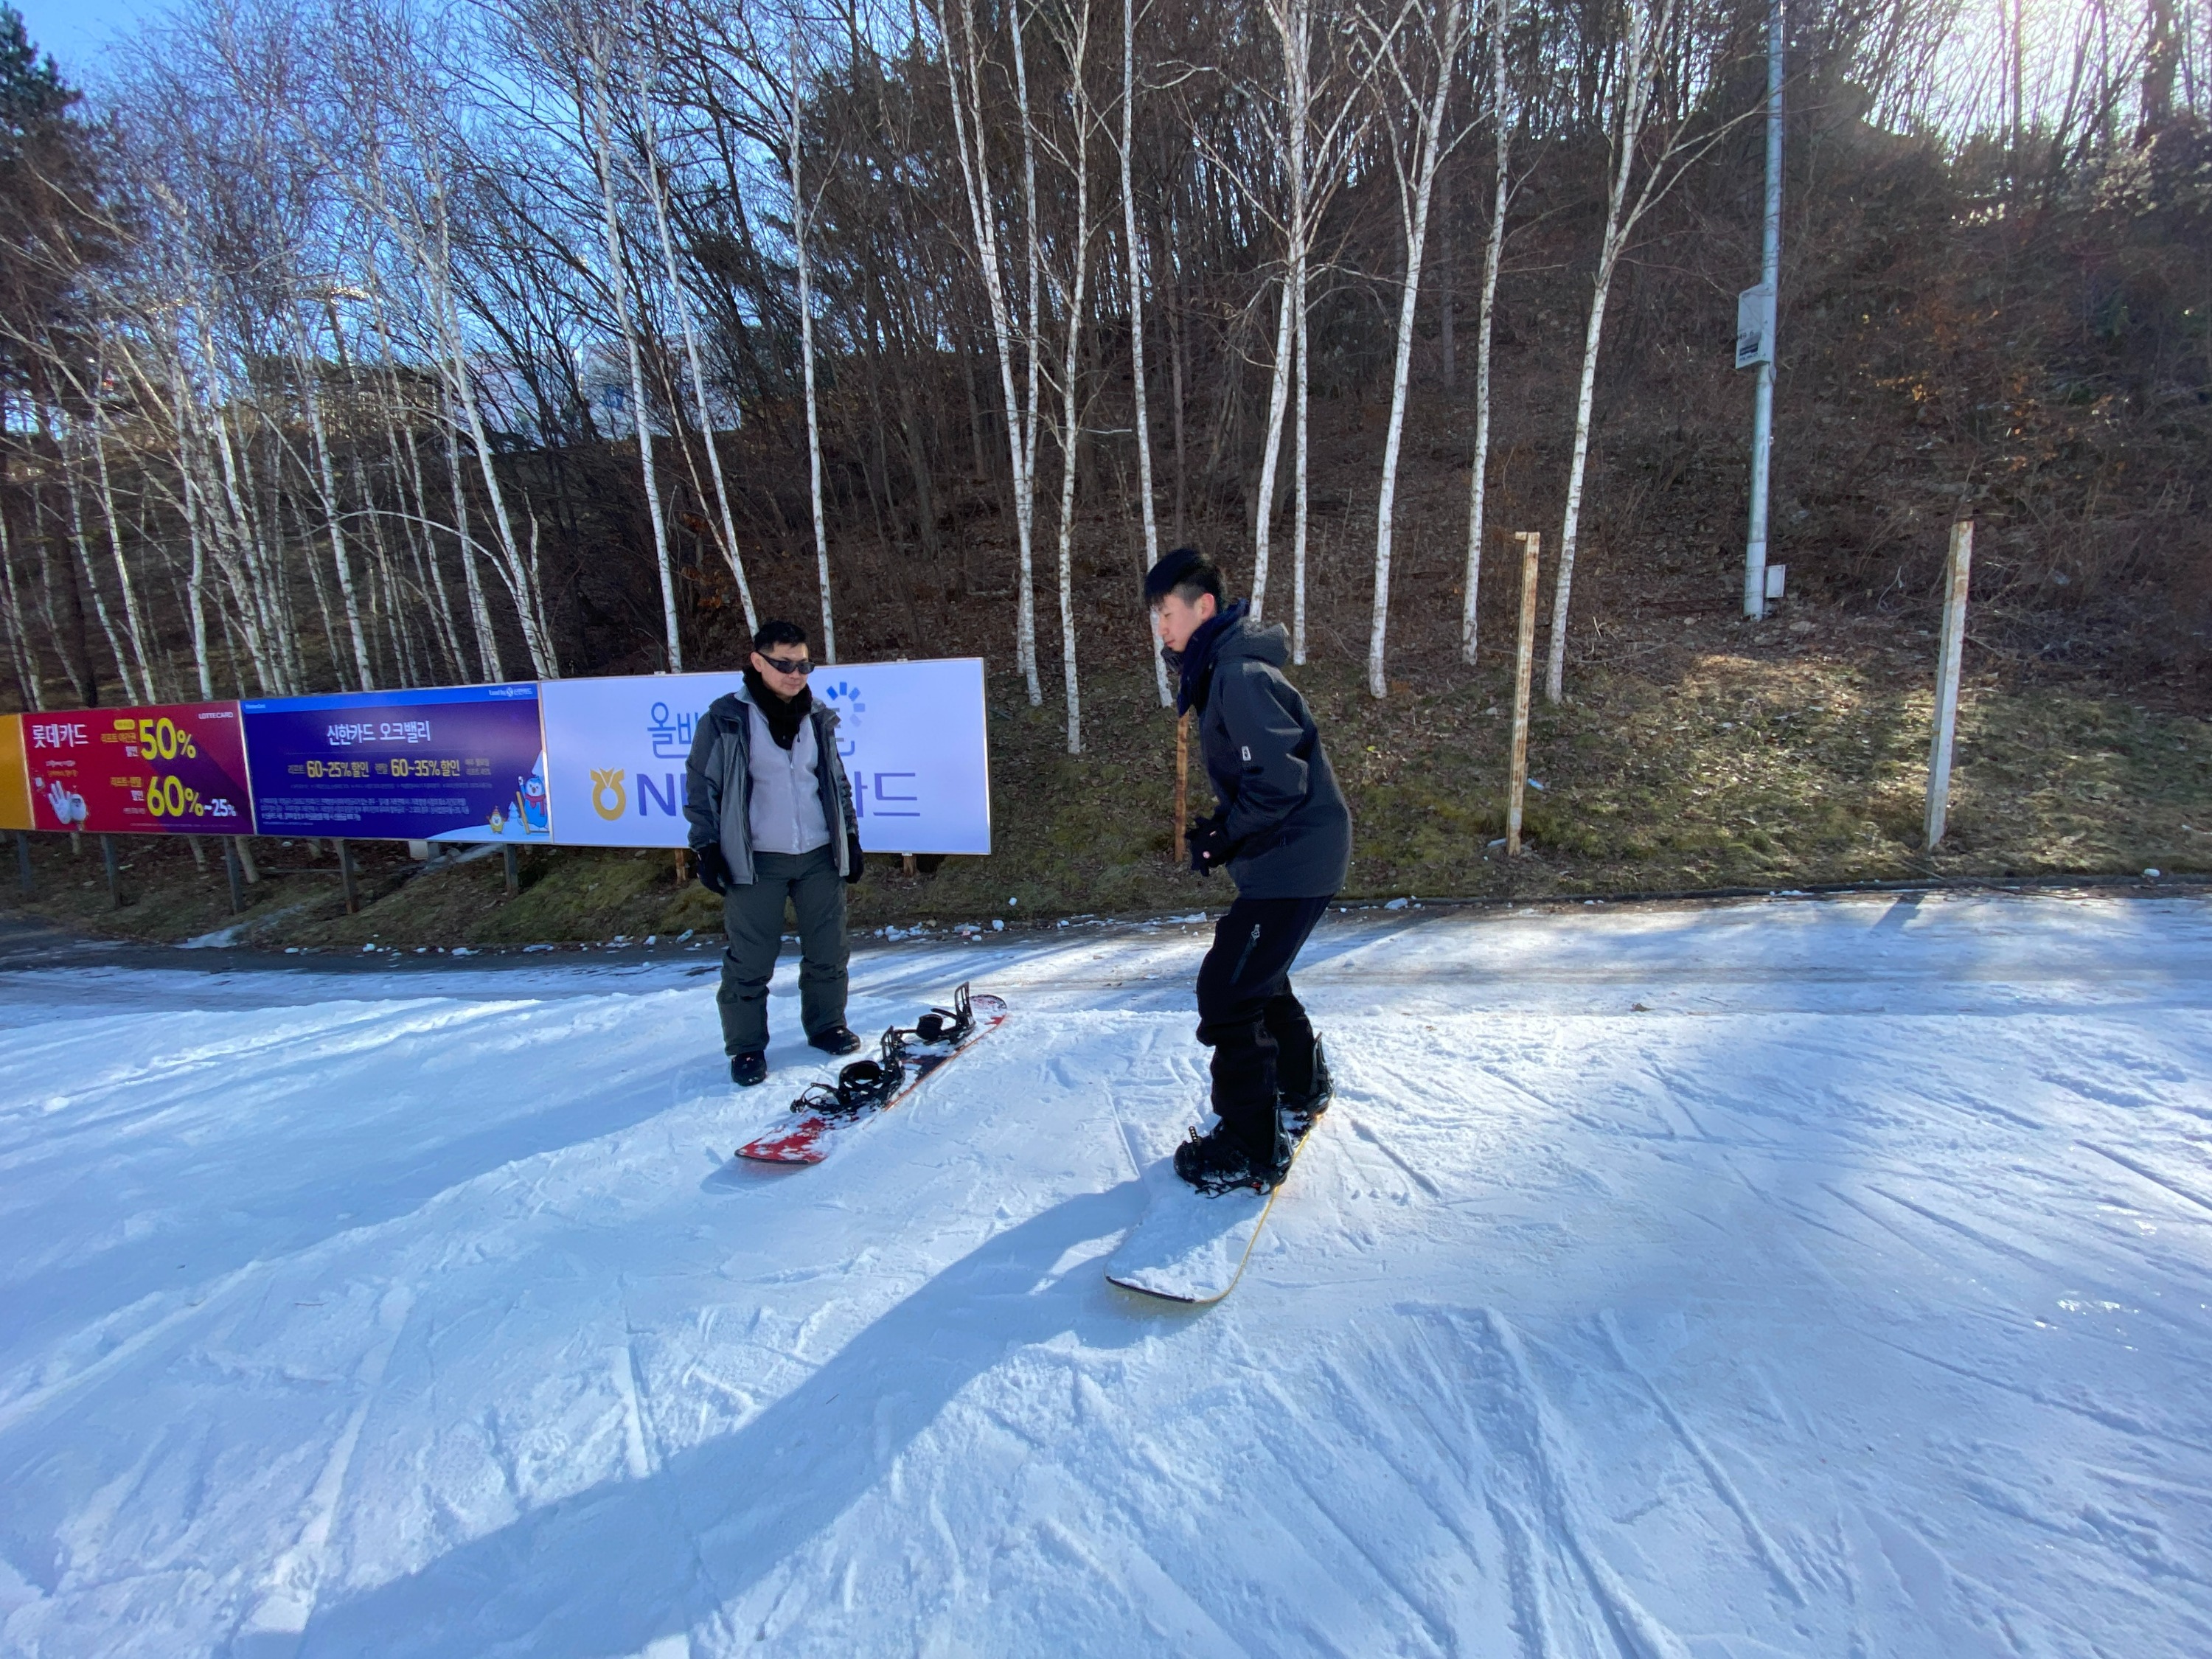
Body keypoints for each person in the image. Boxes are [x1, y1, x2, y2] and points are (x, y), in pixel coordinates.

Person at [1146, 546, 1352, 1192]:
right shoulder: (1226, 669)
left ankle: (1251, 1142)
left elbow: (1279, 783)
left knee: (1228, 994)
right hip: (1289, 856)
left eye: (1168, 612)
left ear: (1203, 607)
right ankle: (1302, 1082)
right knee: (1256, 976)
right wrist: (1226, 834)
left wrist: (1224, 838)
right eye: (1155, 615)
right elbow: (1262, 777)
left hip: (1296, 856)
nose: (1162, 627)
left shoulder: (1238, 674)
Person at [684, 619, 866, 1087]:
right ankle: (746, 1048)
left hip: (819, 854)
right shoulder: (725, 719)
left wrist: (851, 835)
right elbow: (701, 787)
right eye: (784, 665)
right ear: (757, 662)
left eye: (804, 664)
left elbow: (835, 784)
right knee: (751, 958)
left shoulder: (817, 717)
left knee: (829, 949)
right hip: (756, 858)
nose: (796, 674)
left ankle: (827, 1025)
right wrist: (705, 846)